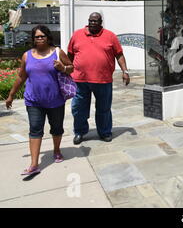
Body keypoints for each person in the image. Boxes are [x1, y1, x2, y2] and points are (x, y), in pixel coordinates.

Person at [6, 25, 74, 175]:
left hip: (55, 100)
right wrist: (11, 95)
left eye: (42, 36)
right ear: (33, 39)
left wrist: (62, 67)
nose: (40, 38)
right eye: (37, 36)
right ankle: (34, 164)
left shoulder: (57, 52)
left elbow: (71, 67)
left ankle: (56, 150)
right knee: (35, 130)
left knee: (56, 128)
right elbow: (21, 76)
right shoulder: (27, 55)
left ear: (48, 37)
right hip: (34, 101)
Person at [68, 12, 130, 145]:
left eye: (96, 21)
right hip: (80, 80)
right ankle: (79, 132)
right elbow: (70, 55)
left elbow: (119, 55)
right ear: (88, 21)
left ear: (101, 22)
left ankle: (104, 132)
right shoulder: (77, 35)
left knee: (104, 108)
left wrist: (125, 71)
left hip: (103, 80)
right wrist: (67, 71)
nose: (93, 23)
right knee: (78, 108)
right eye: (91, 20)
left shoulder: (110, 36)